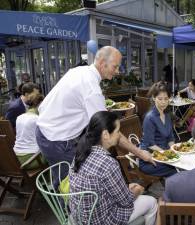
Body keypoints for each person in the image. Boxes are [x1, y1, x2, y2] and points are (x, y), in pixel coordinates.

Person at [36, 46, 154, 182]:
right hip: (56, 140)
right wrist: (140, 153)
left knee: (66, 178)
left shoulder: (79, 70)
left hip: (45, 131)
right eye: (115, 67)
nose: (117, 72)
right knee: (69, 185)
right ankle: (68, 203)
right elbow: (109, 131)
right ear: (103, 64)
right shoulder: (92, 89)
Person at [69, 111, 157, 225]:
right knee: (152, 202)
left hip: (79, 217)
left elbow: (99, 186)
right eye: (117, 131)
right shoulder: (108, 163)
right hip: (101, 221)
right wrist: (138, 190)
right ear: (105, 134)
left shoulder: (80, 153)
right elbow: (126, 201)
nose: (119, 134)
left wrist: (125, 188)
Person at [139, 81, 177, 177]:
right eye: (160, 99)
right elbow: (150, 145)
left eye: (166, 98)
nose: (163, 102)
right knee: (178, 169)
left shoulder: (167, 115)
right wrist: (168, 155)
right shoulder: (150, 117)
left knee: (182, 164)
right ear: (153, 98)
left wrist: (174, 151)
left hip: (164, 154)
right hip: (150, 158)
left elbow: (170, 138)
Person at [14, 93, 46, 169]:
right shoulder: (37, 119)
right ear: (40, 104)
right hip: (32, 159)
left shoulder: (19, 117)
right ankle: (48, 179)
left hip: (17, 157)